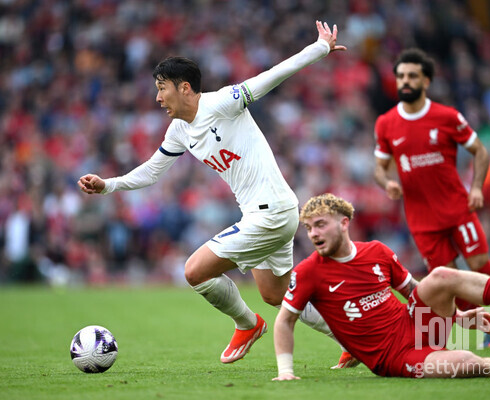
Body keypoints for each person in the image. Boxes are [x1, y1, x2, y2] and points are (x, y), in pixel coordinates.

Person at [78, 21, 347, 365]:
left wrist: (319, 48)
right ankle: (350, 336)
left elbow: (274, 75)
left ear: (185, 87)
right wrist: (109, 184)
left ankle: (247, 324)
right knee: (275, 293)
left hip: (271, 213)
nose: (158, 97)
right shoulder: (178, 131)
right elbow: (152, 170)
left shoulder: (223, 102)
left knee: (194, 271)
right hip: (267, 212)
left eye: (162, 88)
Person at [272, 193, 490, 380]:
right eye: (309, 227)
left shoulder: (376, 251)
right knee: (467, 362)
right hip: (392, 357)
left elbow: (413, 291)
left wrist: (458, 318)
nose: (313, 233)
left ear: (344, 222)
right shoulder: (309, 270)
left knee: (441, 275)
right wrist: (285, 372)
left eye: (320, 224)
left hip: (413, 323)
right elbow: (285, 320)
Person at [372, 48, 490, 345]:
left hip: (456, 206)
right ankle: (489, 327)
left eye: (412, 76)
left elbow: (480, 151)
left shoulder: (446, 116)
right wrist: (387, 183)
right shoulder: (386, 123)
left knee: (479, 261)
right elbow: (379, 168)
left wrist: (477, 187)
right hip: (421, 218)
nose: (405, 81)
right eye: (401, 76)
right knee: (449, 278)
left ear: (426, 81)